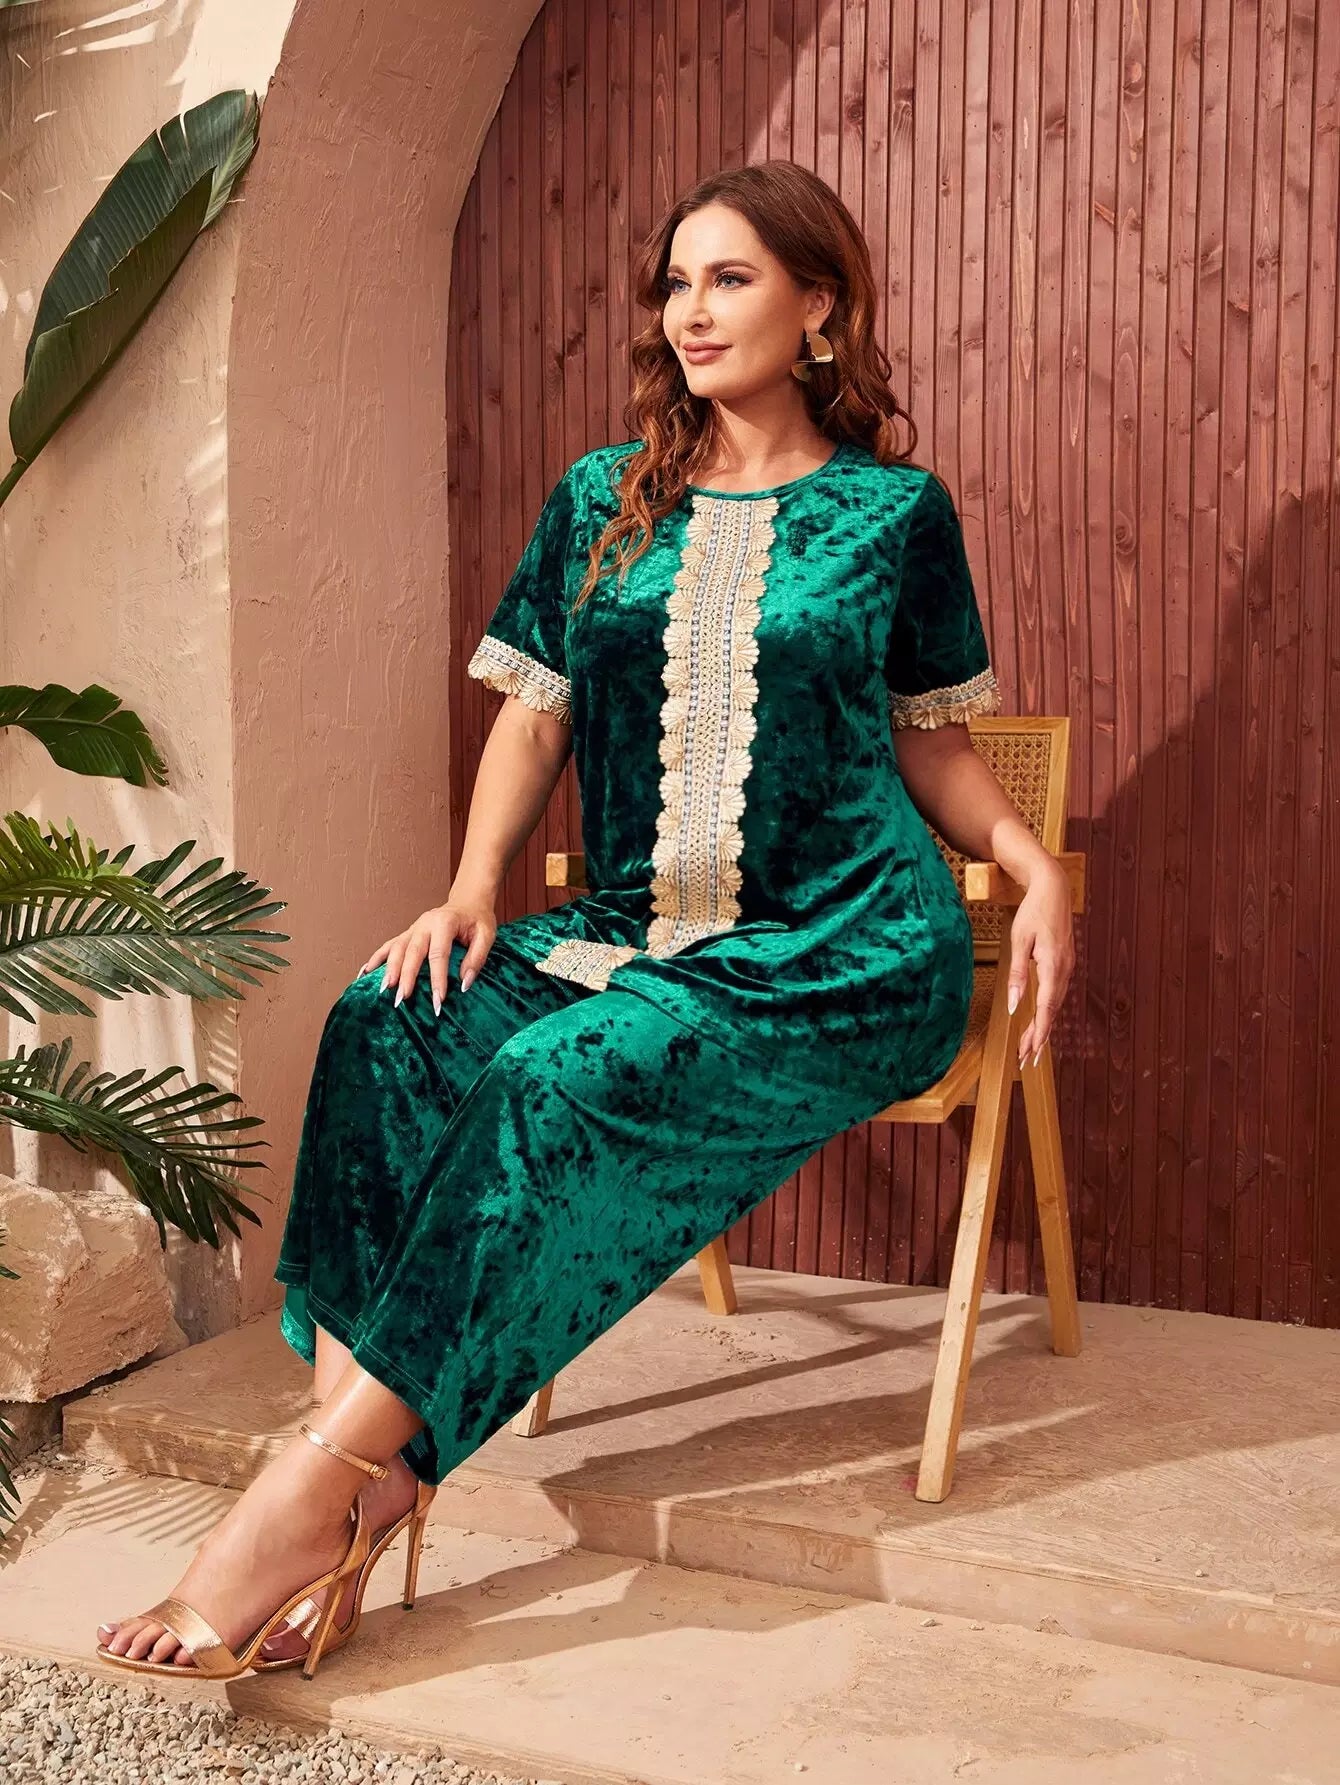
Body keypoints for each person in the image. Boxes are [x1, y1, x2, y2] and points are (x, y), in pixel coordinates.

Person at [94, 160, 1075, 1677]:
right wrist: (470, 892)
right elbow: (535, 717)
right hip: (634, 927)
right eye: (677, 282)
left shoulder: (894, 510)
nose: (693, 311)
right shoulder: (603, 499)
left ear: (820, 305)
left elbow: (928, 739)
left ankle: (307, 1496)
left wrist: (1035, 862)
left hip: (840, 950)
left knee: (552, 1082)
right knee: (388, 1017)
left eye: (731, 278)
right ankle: (357, 1461)